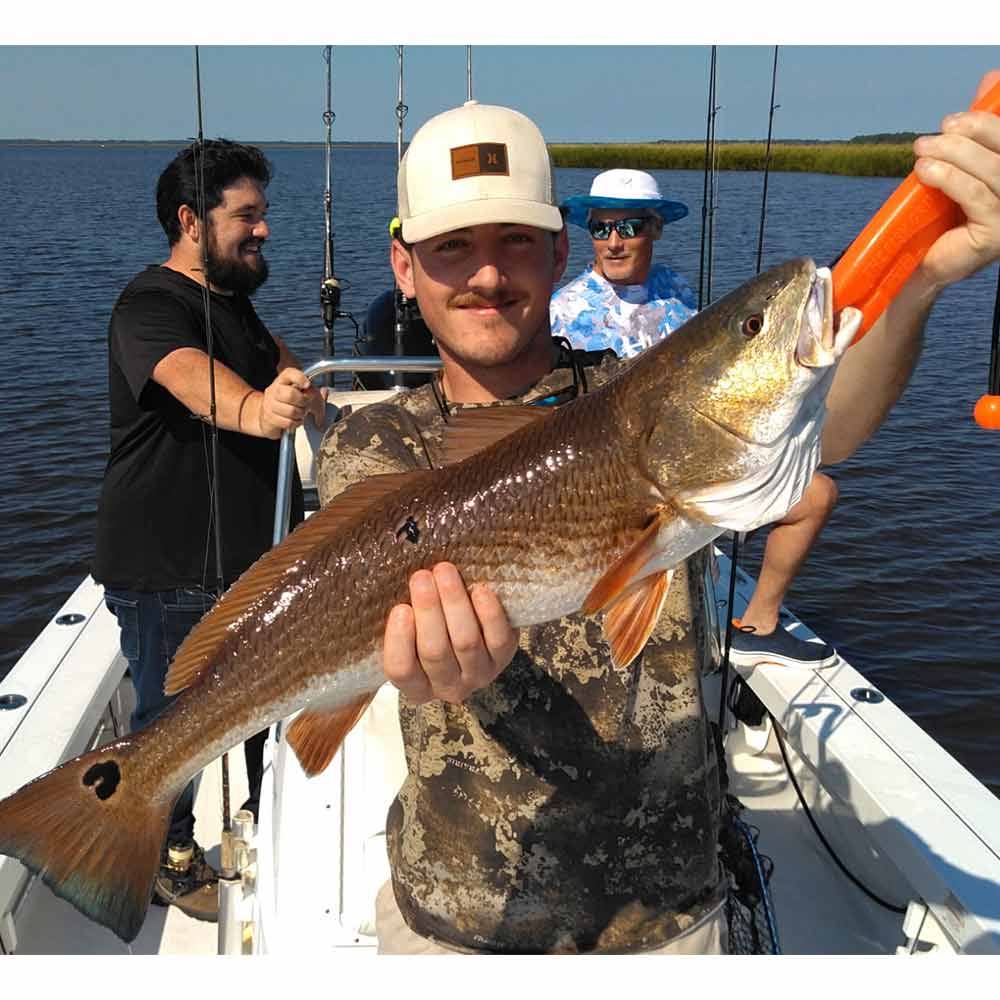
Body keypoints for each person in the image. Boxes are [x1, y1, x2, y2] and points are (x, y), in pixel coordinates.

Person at [315, 77, 1000, 954]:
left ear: (560, 253)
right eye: (452, 247)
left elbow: (829, 425)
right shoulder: (375, 444)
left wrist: (918, 283)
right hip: (463, 918)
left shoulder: (636, 395)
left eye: (516, 241)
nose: (487, 274)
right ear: (404, 267)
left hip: (670, 914)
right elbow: (363, 612)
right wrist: (413, 663)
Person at [92, 139, 325, 922]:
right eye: (246, 216)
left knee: (270, 708)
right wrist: (262, 411)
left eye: (264, 215)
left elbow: (289, 373)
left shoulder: (237, 306)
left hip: (253, 569)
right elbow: (194, 381)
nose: (263, 230)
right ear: (191, 221)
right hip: (168, 571)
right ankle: (167, 855)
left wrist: (312, 394)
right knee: (171, 727)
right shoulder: (148, 305)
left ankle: (272, 821)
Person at [552, 168, 840, 669]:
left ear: (656, 229)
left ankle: (757, 625)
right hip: (611, 487)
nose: (614, 242)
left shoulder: (676, 291)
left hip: (695, 467)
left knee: (817, 495)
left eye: (631, 227)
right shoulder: (565, 310)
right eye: (601, 229)